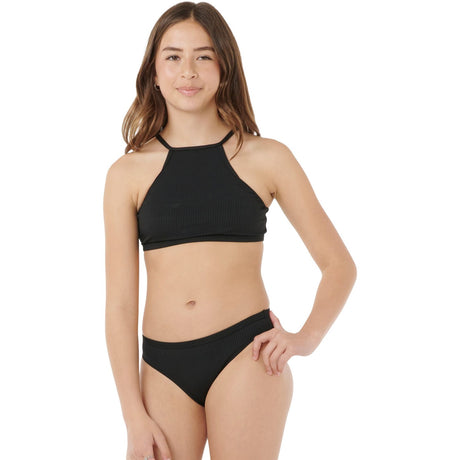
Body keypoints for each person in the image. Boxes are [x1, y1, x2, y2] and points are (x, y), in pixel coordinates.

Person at [103, 2, 357, 459]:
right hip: (162, 367)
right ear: (154, 73)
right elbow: (120, 304)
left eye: (203, 56)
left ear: (224, 67)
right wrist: (132, 415)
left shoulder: (267, 158)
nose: (188, 71)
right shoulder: (126, 175)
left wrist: (306, 338)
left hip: (247, 355)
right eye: (173, 57)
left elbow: (339, 265)